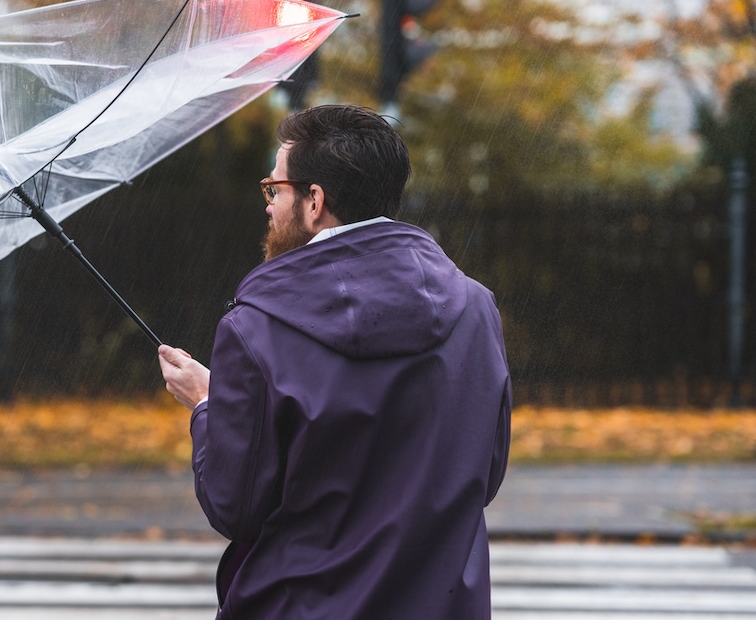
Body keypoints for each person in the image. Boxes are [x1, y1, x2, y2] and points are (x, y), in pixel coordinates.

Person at [158, 104, 511, 620]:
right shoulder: (477, 310)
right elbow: (485, 473)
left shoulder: (257, 329)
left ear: (314, 200)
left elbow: (235, 506)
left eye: (274, 189)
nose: (269, 205)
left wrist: (209, 405)